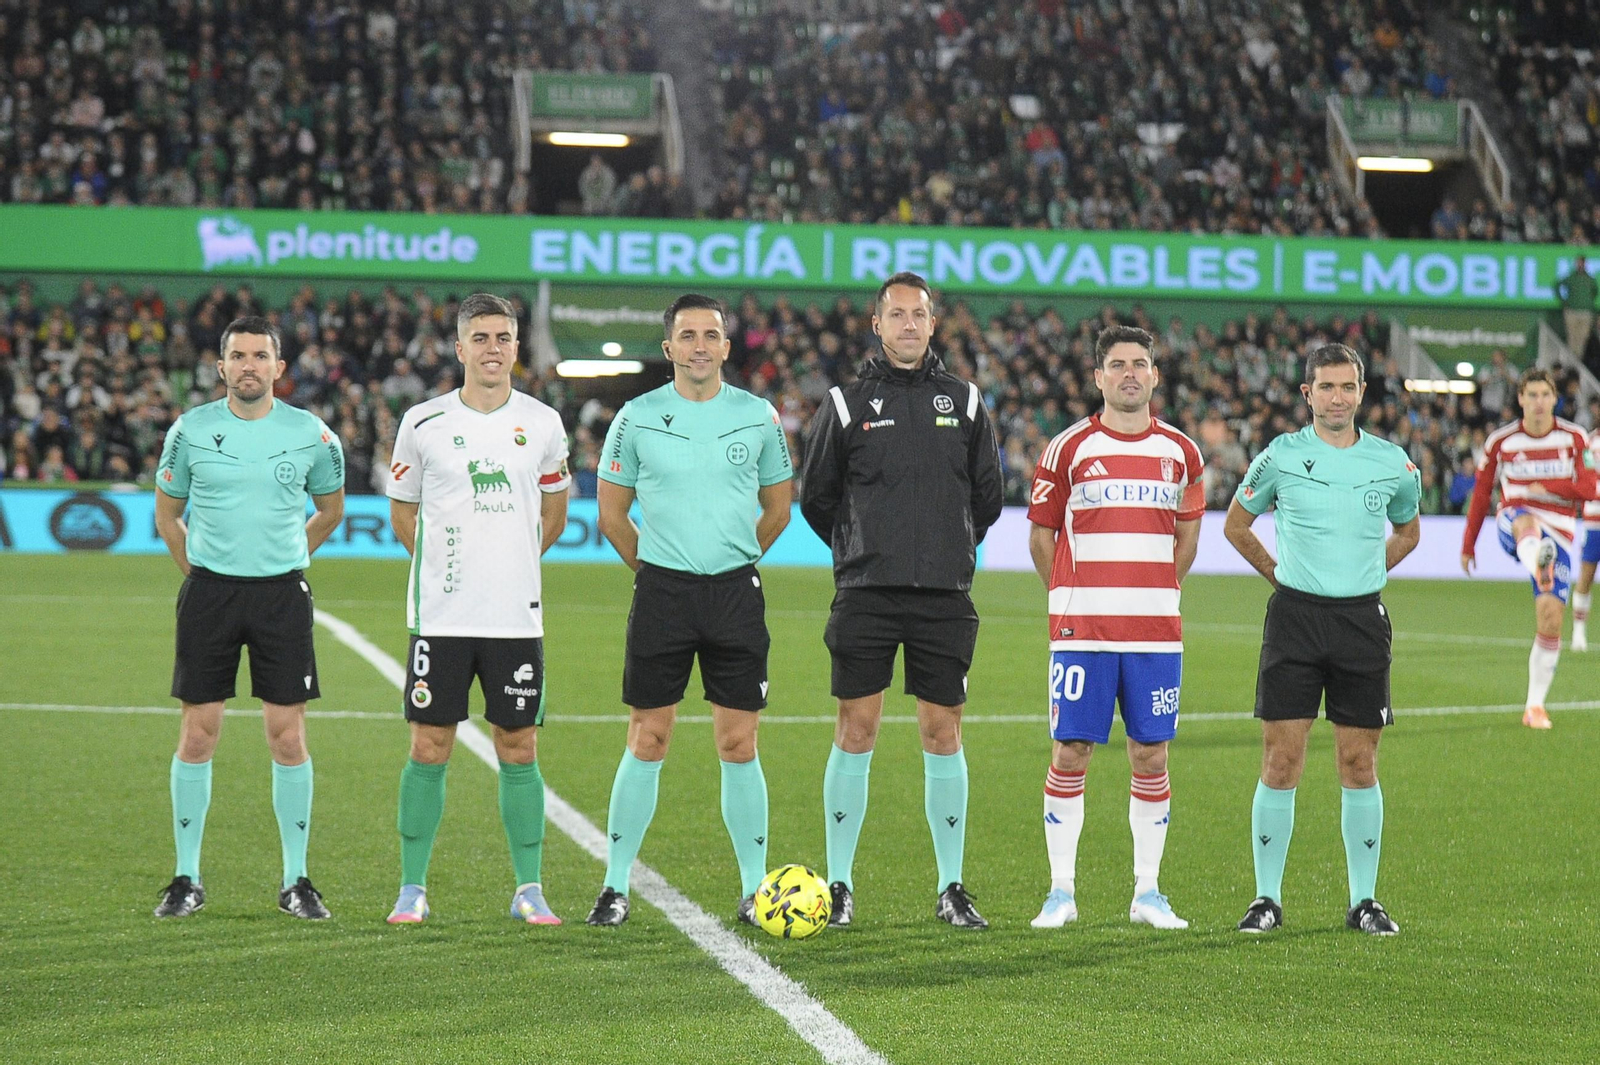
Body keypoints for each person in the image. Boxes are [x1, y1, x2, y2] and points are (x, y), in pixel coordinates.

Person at [800, 271, 1003, 929]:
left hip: (945, 594)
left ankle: (951, 886)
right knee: (855, 728)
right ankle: (839, 884)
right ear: (877, 324)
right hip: (866, 592)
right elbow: (817, 497)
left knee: (943, 732)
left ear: (933, 324)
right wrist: (864, 546)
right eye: (897, 314)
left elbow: (988, 496)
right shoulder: (844, 402)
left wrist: (946, 544)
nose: (909, 324)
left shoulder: (965, 402)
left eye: (919, 314)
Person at [585, 293, 793, 927]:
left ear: (726, 347)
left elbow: (778, 509)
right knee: (648, 737)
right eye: (687, 335)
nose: (699, 346)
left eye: (710, 335)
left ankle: (755, 889)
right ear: (668, 347)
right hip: (663, 595)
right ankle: (614, 886)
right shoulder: (636, 417)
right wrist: (655, 571)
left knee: (739, 741)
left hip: (734, 596)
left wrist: (733, 559)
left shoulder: (757, 416)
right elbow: (612, 514)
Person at [383, 293, 572, 926]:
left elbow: (553, 512)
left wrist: (513, 561)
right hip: (441, 618)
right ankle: (411, 888)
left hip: (515, 619)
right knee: (429, 745)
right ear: (460, 347)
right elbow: (404, 513)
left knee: (519, 748)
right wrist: (445, 567)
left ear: (517, 347)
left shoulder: (543, 422)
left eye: (504, 338)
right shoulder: (423, 422)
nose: (494, 349)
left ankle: (529, 889)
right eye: (482, 338)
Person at [152, 316, 346, 919]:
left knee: (287, 736)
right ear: (221, 367)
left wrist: (288, 556)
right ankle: (186, 878)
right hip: (210, 595)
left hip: (280, 597)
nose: (249, 366)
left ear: (279, 367)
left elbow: (330, 509)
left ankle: (296, 880)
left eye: (260, 356)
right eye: (238, 356)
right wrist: (198, 573)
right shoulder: (190, 430)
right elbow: (167, 514)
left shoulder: (311, 434)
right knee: (198, 733)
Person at [1224, 344, 1421, 936]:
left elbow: (1408, 530)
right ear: (1307, 394)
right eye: (1326, 387)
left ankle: (1365, 901)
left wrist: (1369, 570)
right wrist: (1280, 575)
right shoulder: (1280, 456)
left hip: (1361, 622)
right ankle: (1266, 899)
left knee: (1359, 762)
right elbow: (1236, 525)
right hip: (1295, 619)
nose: (1338, 398)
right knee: (1281, 759)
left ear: (1362, 392)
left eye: (1348, 387)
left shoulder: (1392, 462)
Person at [1024, 325, 1205, 932]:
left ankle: (1148, 892)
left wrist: (1156, 593)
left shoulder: (1182, 452)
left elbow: (1186, 538)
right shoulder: (1067, 449)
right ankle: (1060, 891)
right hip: (1085, 634)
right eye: (1119, 365)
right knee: (1071, 750)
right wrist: (1069, 605)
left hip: (1155, 635)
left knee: (1150, 755)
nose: (1131, 373)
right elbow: (1042, 536)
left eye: (1140, 364)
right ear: (1099, 377)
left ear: (1155, 375)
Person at [1460, 369, 1598, 726]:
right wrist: (1468, 543)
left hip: (1560, 534)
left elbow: (1590, 488)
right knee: (1525, 523)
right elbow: (1481, 493)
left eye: (1545, 395)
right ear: (1520, 398)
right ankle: (1537, 558)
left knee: (1551, 619)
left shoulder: (1574, 438)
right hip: (1515, 521)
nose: (1538, 402)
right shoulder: (1501, 442)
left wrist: (1548, 487)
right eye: (1532, 395)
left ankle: (1534, 706)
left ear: (1555, 399)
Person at [1572, 427, 1600, 652]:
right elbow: (1583, 478)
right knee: (1586, 576)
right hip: (1594, 520)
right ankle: (1578, 632)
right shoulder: (1589, 443)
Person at [1556, 255, 1597, 357]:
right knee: (1572, 337)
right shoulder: (1571, 277)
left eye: (1581, 262)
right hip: (1572, 311)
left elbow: (1594, 292)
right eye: (1578, 262)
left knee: (1583, 337)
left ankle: (1578, 358)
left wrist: (1587, 302)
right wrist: (1563, 301)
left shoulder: (1590, 279)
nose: (1580, 265)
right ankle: (1571, 359)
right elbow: (1557, 285)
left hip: (1586, 311)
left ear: (1585, 264)